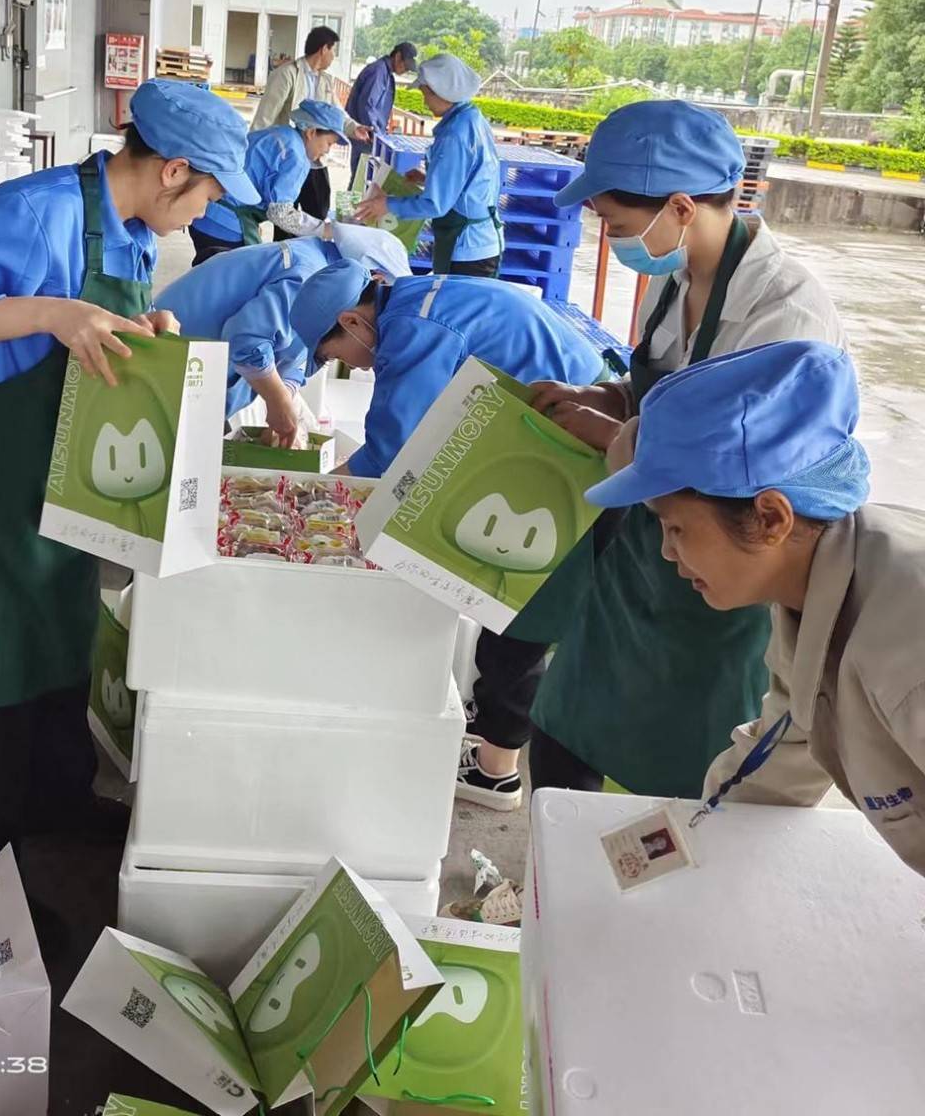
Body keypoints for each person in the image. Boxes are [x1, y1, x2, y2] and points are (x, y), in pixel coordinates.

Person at [0, 79, 257, 939]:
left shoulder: (128, 234)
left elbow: (98, 336)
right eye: (209, 194)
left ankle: (54, 804)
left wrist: (141, 330)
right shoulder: (36, 210)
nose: (208, 215)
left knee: (56, 648)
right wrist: (56, 312)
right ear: (174, 172)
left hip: (61, 491)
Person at [465, 99, 846, 812]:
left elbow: (742, 471)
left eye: (613, 222)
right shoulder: (673, 281)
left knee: (691, 782)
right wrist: (602, 396)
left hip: (717, 581)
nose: (609, 238)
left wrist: (610, 434)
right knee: (567, 730)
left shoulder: (784, 313)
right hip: (636, 554)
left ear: (678, 206)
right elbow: (662, 394)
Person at [589, 340, 925, 877]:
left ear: (771, 518)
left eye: (674, 527)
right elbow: (781, 754)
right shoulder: (815, 592)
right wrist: (672, 857)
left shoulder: (906, 644)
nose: (667, 552)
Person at [289, 259, 604, 482]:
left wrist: (314, 493)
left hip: (581, 411)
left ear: (351, 322)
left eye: (335, 357)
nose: (352, 366)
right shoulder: (411, 295)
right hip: (582, 390)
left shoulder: (411, 329)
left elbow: (392, 448)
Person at [159, 225, 410, 443]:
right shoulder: (309, 278)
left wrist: (284, 400)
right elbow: (246, 340)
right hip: (169, 362)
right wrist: (276, 399)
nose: (364, 368)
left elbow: (298, 354)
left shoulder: (333, 284)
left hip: (200, 376)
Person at [354, 52, 502, 276]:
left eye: (425, 94)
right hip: (482, 239)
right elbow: (471, 175)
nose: (424, 101)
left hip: (468, 246)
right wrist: (430, 178)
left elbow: (436, 204)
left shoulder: (454, 135)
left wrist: (387, 205)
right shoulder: (471, 118)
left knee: (454, 309)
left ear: (442, 92)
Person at [189, 100, 348, 265]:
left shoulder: (281, 133)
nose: (327, 151)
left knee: (207, 276)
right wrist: (324, 230)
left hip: (203, 212)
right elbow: (280, 214)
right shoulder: (297, 157)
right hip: (226, 223)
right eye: (329, 143)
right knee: (238, 280)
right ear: (311, 132)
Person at [251, 26, 371, 235]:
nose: (334, 57)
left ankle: (310, 255)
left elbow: (336, 113)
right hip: (289, 154)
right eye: (333, 51)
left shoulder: (325, 80)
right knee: (284, 214)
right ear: (324, 49)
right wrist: (259, 151)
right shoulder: (287, 74)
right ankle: (286, 258)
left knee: (318, 210)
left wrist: (353, 127)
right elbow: (265, 116)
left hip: (314, 159)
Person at [345, 40, 418, 185]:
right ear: (397, 57)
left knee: (365, 179)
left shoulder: (386, 73)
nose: (405, 70)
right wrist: (376, 135)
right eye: (405, 65)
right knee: (360, 179)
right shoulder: (378, 71)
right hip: (366, 134)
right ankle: (353, 207)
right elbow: (367, 106)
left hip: (371, 134)